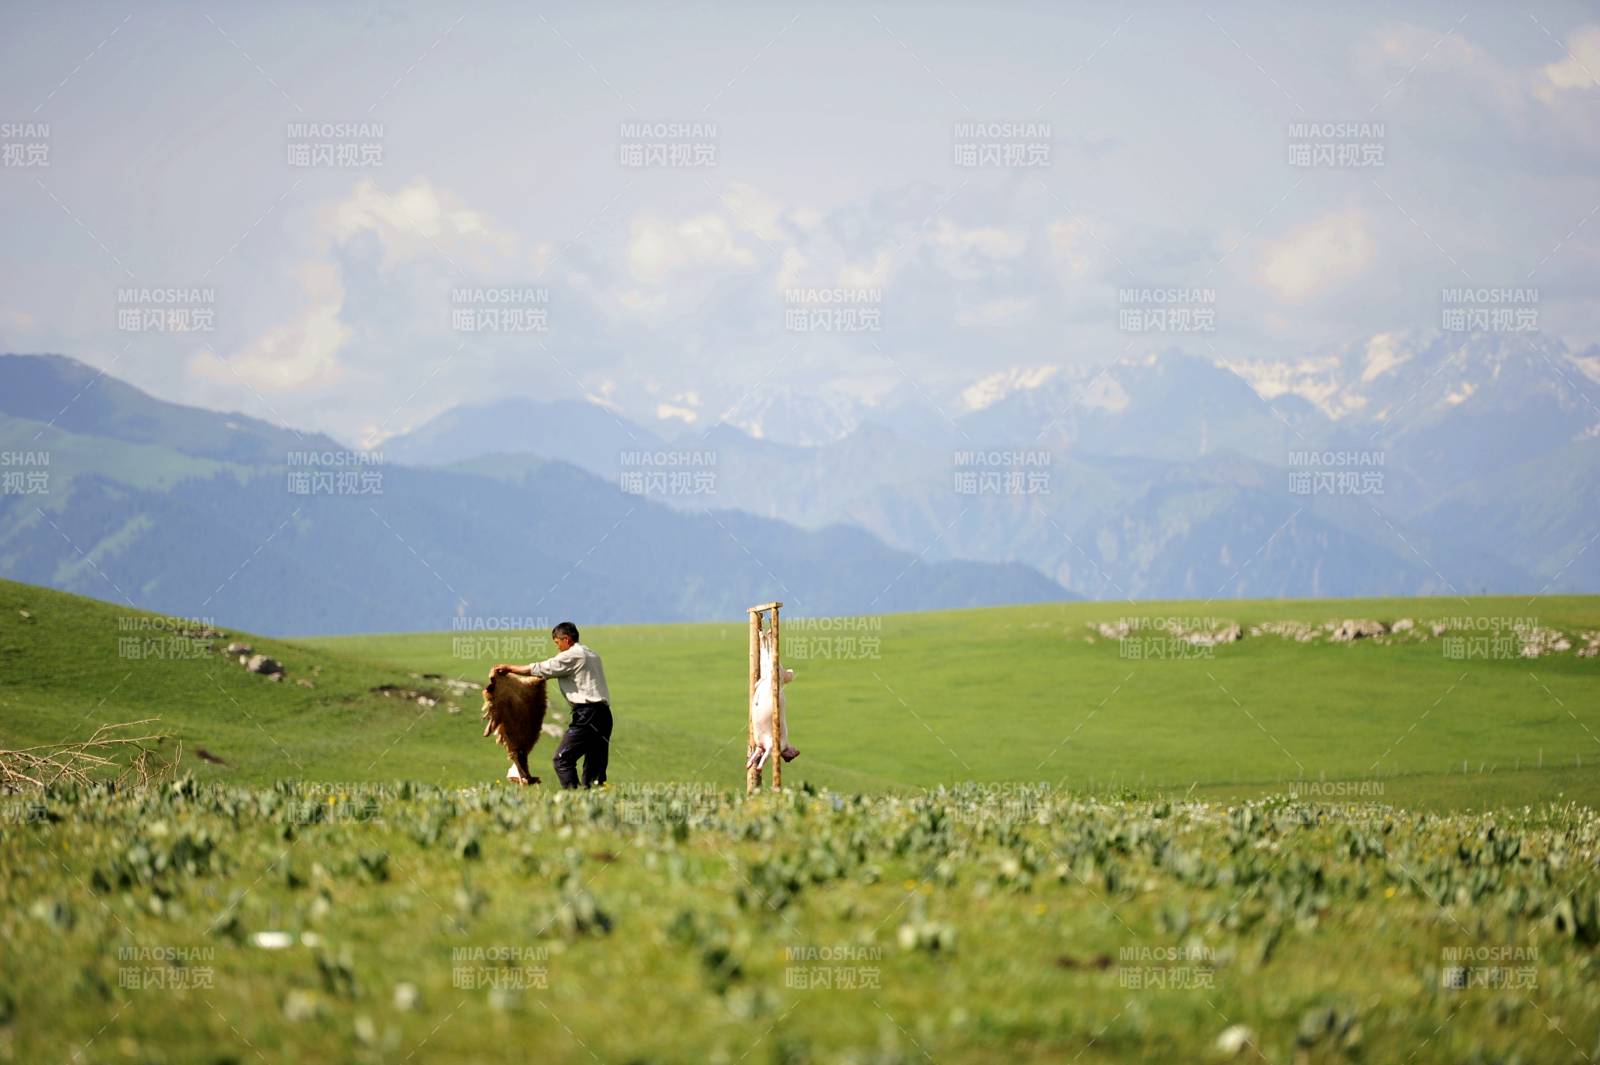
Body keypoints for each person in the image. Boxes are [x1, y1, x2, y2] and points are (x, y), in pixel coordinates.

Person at [491, 622, 612, 788]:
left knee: (562, 759)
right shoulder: (592, 654)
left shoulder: (572, 655)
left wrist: (509, 668)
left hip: (587, 714)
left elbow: (542, 668)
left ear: (566, 639)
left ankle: (575, 799)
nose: (558, 648)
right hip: (604, 715)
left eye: (557, 643)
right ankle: (595, 800)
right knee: (595, 763)